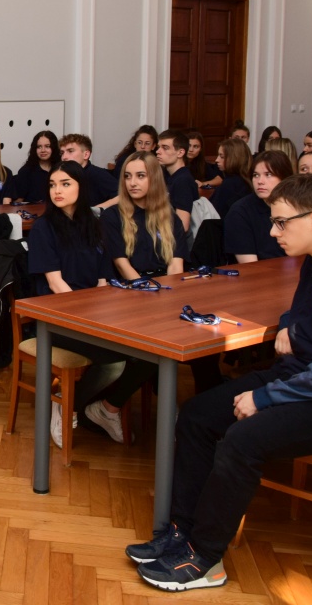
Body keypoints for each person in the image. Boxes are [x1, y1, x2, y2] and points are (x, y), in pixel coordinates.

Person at [127, 174, 312, 591]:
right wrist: (290, 323)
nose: (273, 232)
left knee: (242, 440)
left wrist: (265, 396)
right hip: (298, 377)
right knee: (198, 414)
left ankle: (205, 557)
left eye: (280, 223)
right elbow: (302, 310)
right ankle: (182, 531)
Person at [89, 152, 186, 442]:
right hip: (128, 293)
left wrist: (170, 297)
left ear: (154, 179)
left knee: (189, 343)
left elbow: (176, 266)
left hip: (165, 290)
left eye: (140, 176)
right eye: (128, 176)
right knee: (158, 348)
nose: (132, 182)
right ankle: (157, 409)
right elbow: (122, 265)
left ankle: (182, 413)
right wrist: (152, 294)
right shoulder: (113, 215)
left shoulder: (169, 215)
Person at [26, 161, 123, 447]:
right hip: (58, 317)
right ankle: (67, 405)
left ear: (81, 187)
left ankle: (104, 408)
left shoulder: (95, 224)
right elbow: (56, 284)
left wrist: (103, 315)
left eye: (65, 184)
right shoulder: (44, 228)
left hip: (93, 313)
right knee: (115, 362)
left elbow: (103, 280)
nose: (57, 190)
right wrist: (89, 319)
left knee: (144, 357)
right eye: (53, 185)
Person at [224, 150, 292, 263]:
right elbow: (250, 266)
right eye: (256, 175)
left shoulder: (297, 206)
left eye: (268, 175)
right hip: (261, 271)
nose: (260, 181)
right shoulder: (240, 212)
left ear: (284, 178)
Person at [59, 133, 119, 208]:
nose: (64, 157)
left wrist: (95, 210)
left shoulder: (97, 174)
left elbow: (122, 197)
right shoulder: (61, 175)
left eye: (70, 151)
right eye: (62, 153)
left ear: (86, 154)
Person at [156, 129, 199, 231]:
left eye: (165, 148)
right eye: (158, 147)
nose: (158, 151)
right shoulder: (169, 175)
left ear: (180, 153)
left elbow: (182, 226)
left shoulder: (182, 180)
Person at [3, 129, 57, 204]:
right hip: (33, 210)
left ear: (54, 148)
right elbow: (18, 202)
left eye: (47, 146)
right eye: (39, 147)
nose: (43, 150)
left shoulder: (60, 169)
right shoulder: (26, 171)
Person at [208, 138, 252, 218]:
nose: (217, 160)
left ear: (234, 158)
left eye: (222, 156)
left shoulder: (230, 184)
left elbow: (215, 214)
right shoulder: (247, 181)